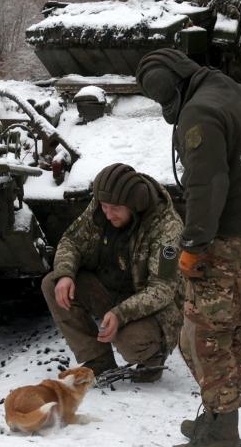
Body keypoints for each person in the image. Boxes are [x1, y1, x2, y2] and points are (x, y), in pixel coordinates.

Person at [136, 48, 241, 447]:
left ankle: (222, 431)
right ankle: (219, 417)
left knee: (200, 337)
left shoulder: (199, 111)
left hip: (229, 243)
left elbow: (207, 185)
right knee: (229, 328)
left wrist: (194, 245)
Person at [41, 163, 184, 382]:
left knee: (129, 341)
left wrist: (120, 314)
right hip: (111, 288)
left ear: (134, 205)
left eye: (114, 208)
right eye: (103, 206)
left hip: (153, 308)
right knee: (53, 283)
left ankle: (153, 357)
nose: (107, 214)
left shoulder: (168, 230)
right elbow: (72, 240)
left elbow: (163, 289)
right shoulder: (104, 206)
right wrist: (65, 274)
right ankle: (98, 359)